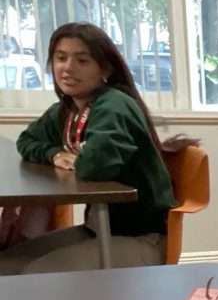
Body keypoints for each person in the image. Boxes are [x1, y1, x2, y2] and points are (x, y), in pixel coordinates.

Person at [0, 22, 176, 274]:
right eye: (60, 58)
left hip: (141, 237)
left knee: (37, 275)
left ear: (105, 69)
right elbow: (26, 141)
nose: (68, 67)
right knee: (5, 265)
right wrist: (55, 154)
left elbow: (96, 166)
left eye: (82, 61)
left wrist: (78, 159)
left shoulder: (114, 105)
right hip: (97, 228)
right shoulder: (68, 108)